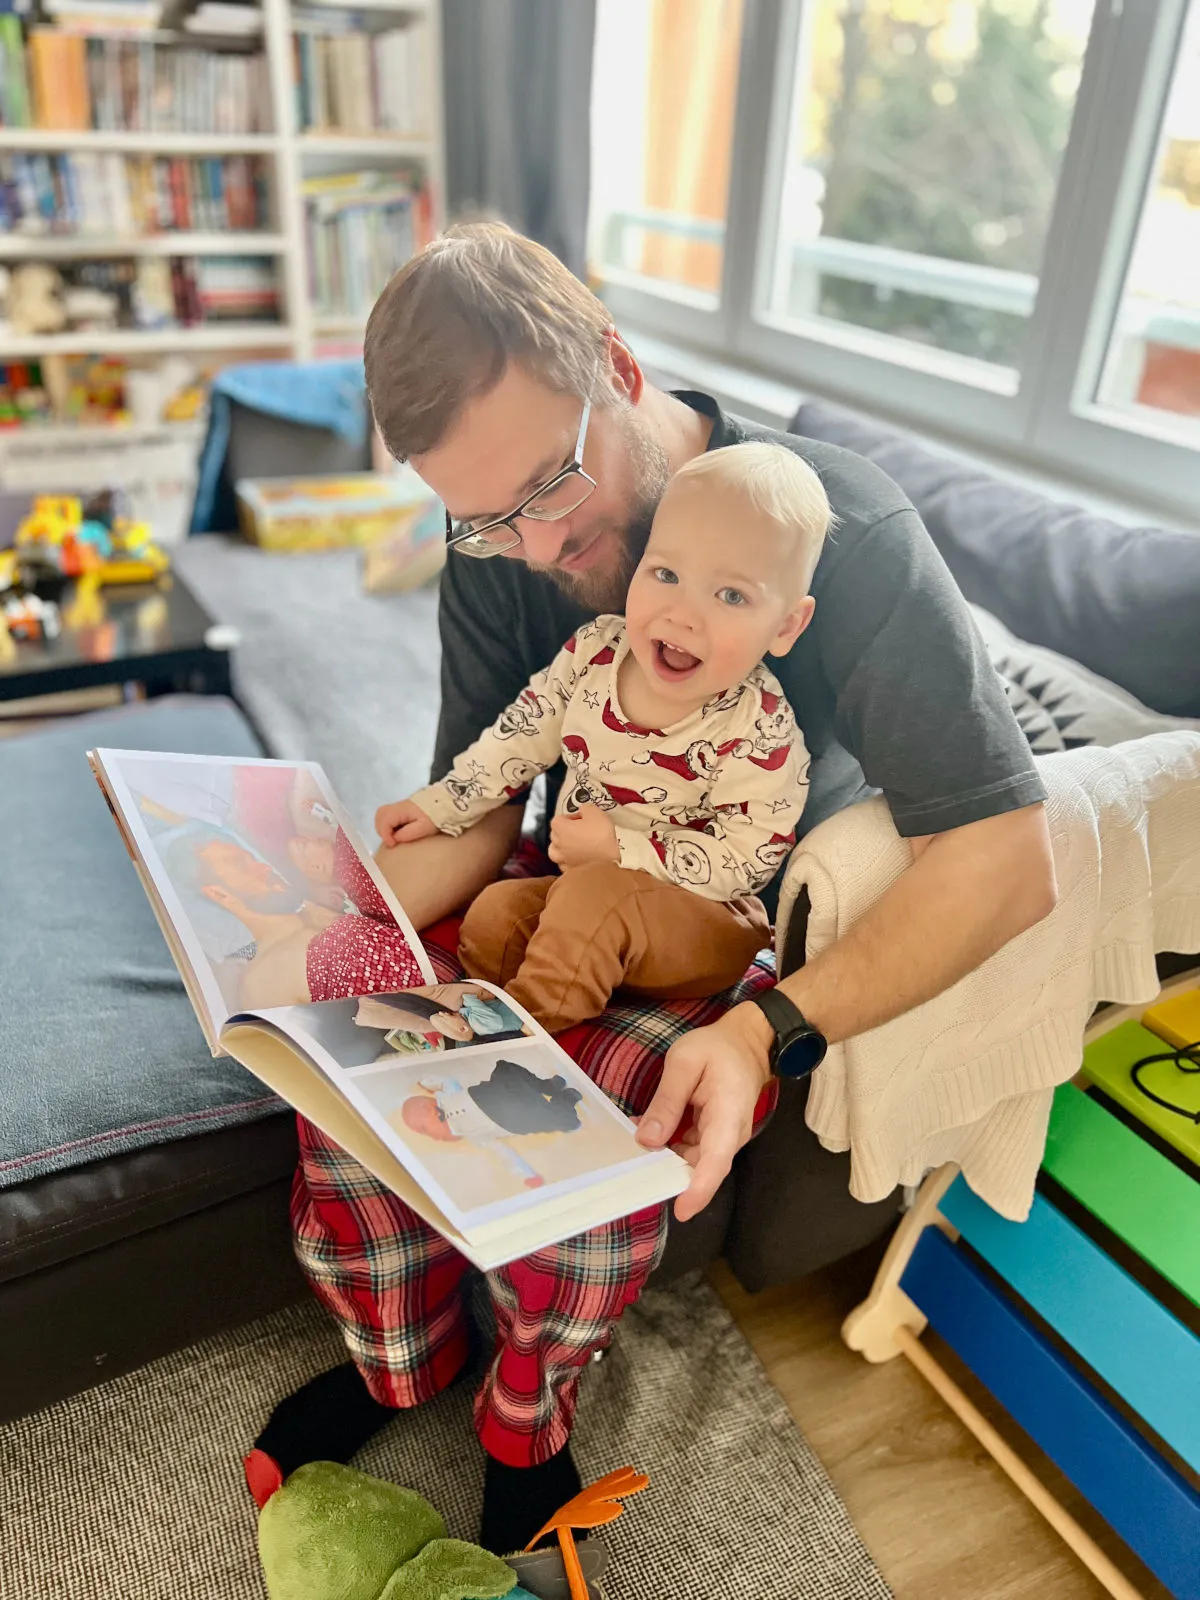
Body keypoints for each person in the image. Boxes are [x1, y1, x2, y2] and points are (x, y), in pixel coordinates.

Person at [246, 222, 1056, 1553]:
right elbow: (484, 796)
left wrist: (766, 1034)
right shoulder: (504, 543)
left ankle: (532, 1419)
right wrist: (329, 928)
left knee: (589, 1150)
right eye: (480, 517)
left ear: (617, 362)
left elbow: (1006, 857)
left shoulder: (829, 533)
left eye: (550, 488)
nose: (531, 543)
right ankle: (406, 1364)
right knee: (351, 1074)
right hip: (569, 876)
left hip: (712, 918)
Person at [376, 443, 822, 1034]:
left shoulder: (758, 727)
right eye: (666, 574)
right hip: (587, 893)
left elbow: (749, 859)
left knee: (595, 901)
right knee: (495, 915)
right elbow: (517, 738)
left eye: (731, 596)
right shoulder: (595, 653)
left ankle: (516, 1032)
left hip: (704, 925)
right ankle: (493, 997)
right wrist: (438, 805)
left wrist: (619, 853)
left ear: (786, 626)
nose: (684, 614)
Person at [397, 1061, 586, 1192]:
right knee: (562, 1121)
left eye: (424, 1129)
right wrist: (526, 1175)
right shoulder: (474, 1136)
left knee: (505, 1067)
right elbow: (503, 1153)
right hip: (514, 1118)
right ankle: (565, 1100)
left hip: (499, 1090)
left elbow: (446, 1081)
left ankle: (546, 1086)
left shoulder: (447, 1097)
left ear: (429, 1108)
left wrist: (425, 1082)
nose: (434, 1138)